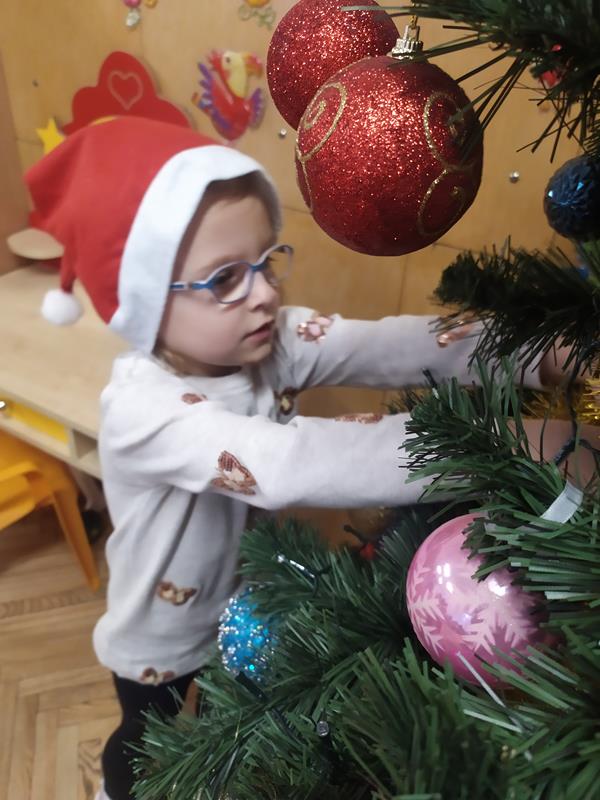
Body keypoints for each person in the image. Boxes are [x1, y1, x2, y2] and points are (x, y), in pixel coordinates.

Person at [25, 116, 566, 800]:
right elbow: (282, 463)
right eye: (225, 278)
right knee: (143, 750)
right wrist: (498, 446)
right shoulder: (143, 409)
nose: (263, 292)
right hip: (158, 636)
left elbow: (392, 345)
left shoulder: (269, 338)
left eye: (266, 260)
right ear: (145, 301)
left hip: (243, 605)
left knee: (221, 732)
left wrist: (537, 353)